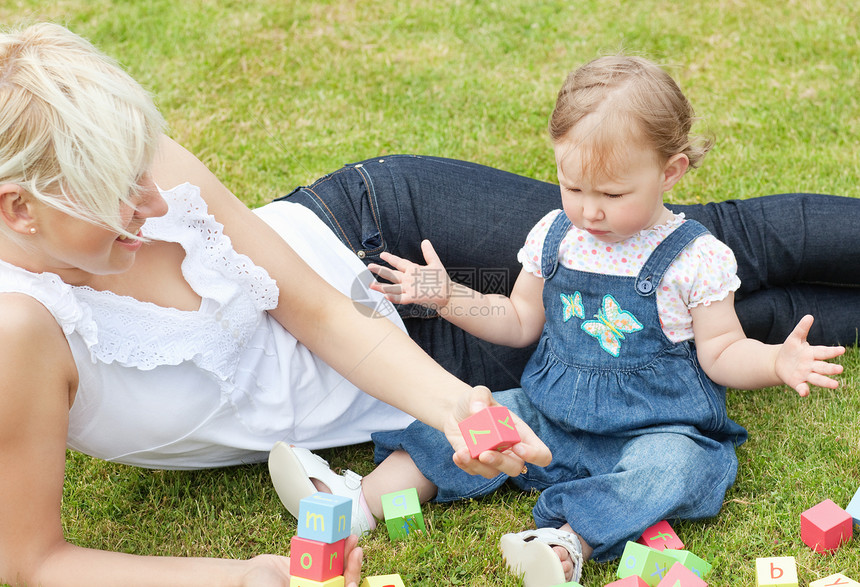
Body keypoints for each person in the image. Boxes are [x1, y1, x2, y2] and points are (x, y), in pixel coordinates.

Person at [0, 22, 552, 587]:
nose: (156, 198)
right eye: (117, 189)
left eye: (142, 166)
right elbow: (30, 561)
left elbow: (320, 310)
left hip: (377, 236)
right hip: (408, 368)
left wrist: (456, 409)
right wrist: (243, 580)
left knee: (639, 257)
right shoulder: (18, 327)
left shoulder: (134, 164)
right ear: (19, 209)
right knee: (625, 360)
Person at [269, 56, 847, 586]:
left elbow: (721, 351)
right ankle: (354, 503)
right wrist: (447, 296)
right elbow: (519, 320)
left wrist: (775, 359)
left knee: (681, 469)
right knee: (470, 423)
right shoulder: (555, 236)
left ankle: (567, 543)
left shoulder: (695, 258)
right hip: (546, 415)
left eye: (614, 193)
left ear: (670, 172)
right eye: (573, 187)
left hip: (654, 431)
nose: (590, 209)